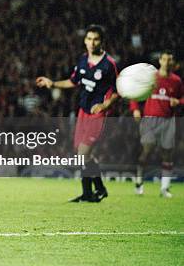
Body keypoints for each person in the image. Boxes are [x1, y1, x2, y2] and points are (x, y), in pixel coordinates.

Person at [36, 25, 119, 202]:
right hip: (83, 110)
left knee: (82, 154)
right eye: (89, 38)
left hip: (97, 114)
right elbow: (73, 81)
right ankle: (99, 189)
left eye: (95, 39)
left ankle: (88, 193)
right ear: (85, 40)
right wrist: (53, 83)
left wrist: (106, 104)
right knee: (85, 155)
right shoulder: (83, 59)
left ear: (101, 41)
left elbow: (119, 90)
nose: (91, 42)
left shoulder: (109, 64)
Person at [131, 50, 183, 198]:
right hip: (149, 120)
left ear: (173, 62)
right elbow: (135, 93)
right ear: (160, 61)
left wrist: (178, 101)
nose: (167, 62)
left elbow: (182, 98)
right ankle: (139, 183)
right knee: (146, 151)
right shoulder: (151, 78)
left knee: (167, 154)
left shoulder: (176, 81)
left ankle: (164, 188)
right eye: (165, 59)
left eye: (170, 60)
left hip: (168, 120)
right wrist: (135, 109)